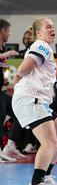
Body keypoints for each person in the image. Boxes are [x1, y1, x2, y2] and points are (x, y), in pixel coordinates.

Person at [12, 17, 57, 185]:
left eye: (53, 27)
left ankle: (45, 176)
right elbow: (24, 67)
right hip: (31, 99)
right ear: (38, 32)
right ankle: (35, 184)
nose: (52, 29)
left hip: (39, 101)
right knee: (50, 142)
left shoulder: (45, 48)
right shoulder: (41, 45)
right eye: (48, 27)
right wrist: (18, 78)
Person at [0, 19, 20, 162]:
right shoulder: (4, 51)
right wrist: (6, 54)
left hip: (2, 90)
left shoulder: (3, 46)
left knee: (18, 112)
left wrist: (6, 84)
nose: (9, 34)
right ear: (3, 31)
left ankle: (10, 145)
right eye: (8, 31)